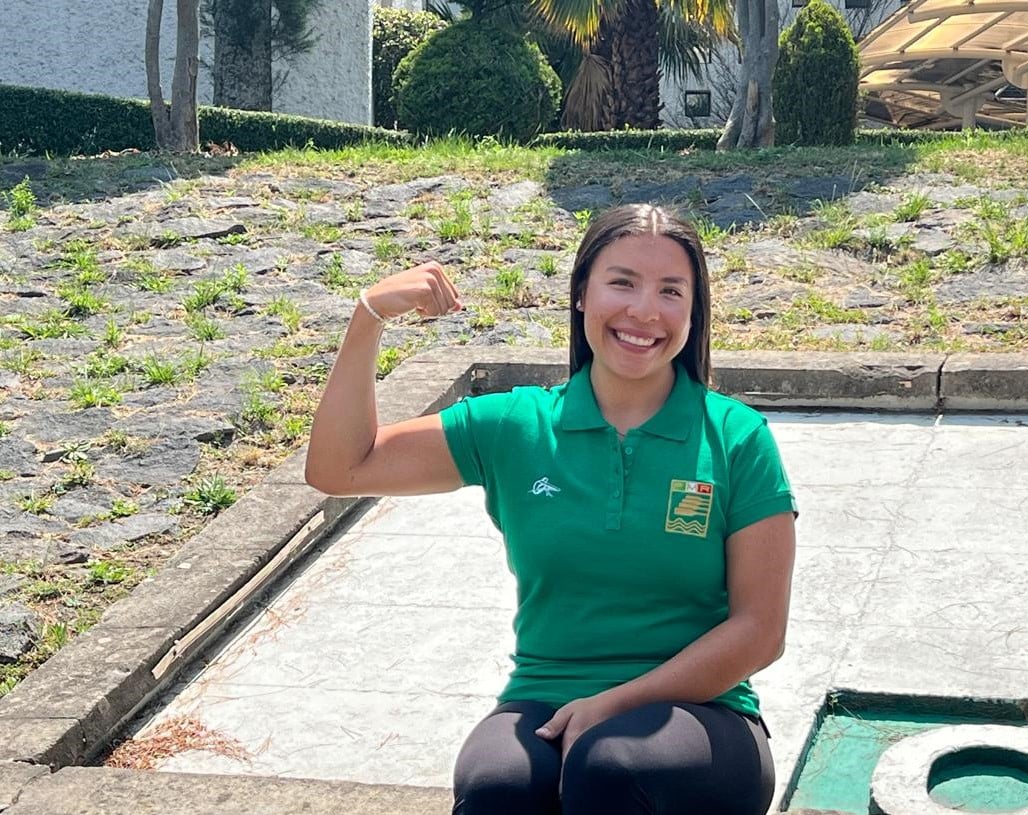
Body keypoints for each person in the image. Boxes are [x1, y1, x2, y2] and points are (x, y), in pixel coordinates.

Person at [305, 203, 798, 815]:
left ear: (692, 313)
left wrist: (612, 705)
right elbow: (339, 468)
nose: (645, 311)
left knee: (611, 765)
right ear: (581, 296)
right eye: (622, 282)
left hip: (703, 714)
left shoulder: (735, 436)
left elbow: (760, 631)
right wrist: (369, 316)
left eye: (671, 291)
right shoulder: (517, 425)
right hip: (542, 696)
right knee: (499, 786)